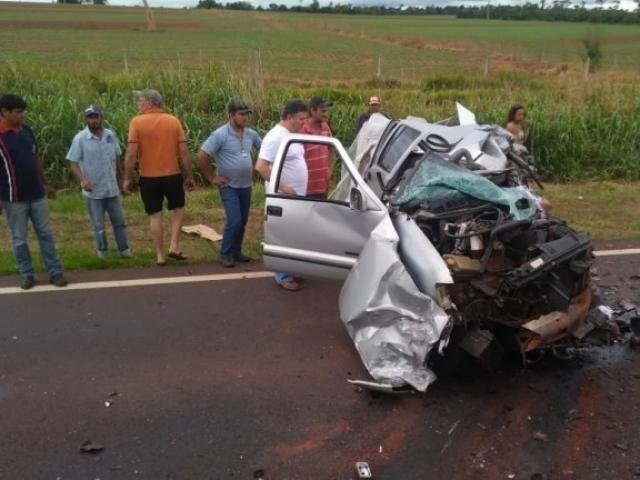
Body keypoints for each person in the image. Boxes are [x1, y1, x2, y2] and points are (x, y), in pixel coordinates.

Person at [0, 94, 67, 289]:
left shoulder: (26, 131)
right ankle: (27, 274)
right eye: (18, 112)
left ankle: (55, 272)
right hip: (13, 198)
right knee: (19, 238)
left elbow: (35, 158)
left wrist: (46, 184)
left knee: (45, 234)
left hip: (37, 194)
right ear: (4, 112)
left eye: (23, 111)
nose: (23, 115)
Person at [123, 89, 195, 266]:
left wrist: (127, 178)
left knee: (155, 215)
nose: (138, 104)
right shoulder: (173, 121)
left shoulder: (136, 122)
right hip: (172, 175)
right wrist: (189, 175)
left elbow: (131, 153)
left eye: (140, 101)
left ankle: (160, 255)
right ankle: (174, 245)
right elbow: (184, 152)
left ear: (149, 102)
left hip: (148, 177)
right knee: (177, 209)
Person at [198, 99, 262, 268]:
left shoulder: (251, 134)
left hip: (246, 185)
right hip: (229, 186)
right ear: (231, 115)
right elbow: (202, 155)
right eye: (241, 114)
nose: (245, 117)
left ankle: (236, 251)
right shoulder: (220, 135)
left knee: (243, 221)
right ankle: (225, 253)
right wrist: (212, 177)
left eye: (247, 114)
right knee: (234, 220)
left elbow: (264, 150)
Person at [255, 99, 309, 292]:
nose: (303, 123)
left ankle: (292, 269)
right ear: (288, 117)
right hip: (283, 199)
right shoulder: (275, 136)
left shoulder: (290, 135)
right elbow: (261, 167)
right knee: (283, 237)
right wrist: (284, 187)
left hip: (295, 198)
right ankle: (283, 275)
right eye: (301, 119)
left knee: (294, 236)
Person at [67, 105, 131, 259]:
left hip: (112, 188)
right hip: (93, 191)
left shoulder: (110, 135)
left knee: (119, 222)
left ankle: (124, 250)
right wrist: (83, 180)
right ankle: (102, 252)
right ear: (86, 119)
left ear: (102, 117)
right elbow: (73, 162)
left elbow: (116, 159)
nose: (94, 120)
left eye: (96, 117)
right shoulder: (80, 138)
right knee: (99, 226)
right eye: (90, 117)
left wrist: (121, 181)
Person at [301, 96, 333, 199]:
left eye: (326, 111)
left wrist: (330, 169)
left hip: (323, 186)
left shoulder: (326, 128)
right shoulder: (303, 130)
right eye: (323, 111)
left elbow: (331, 150)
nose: (326, 114)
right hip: (306, 188)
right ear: (313, 111)